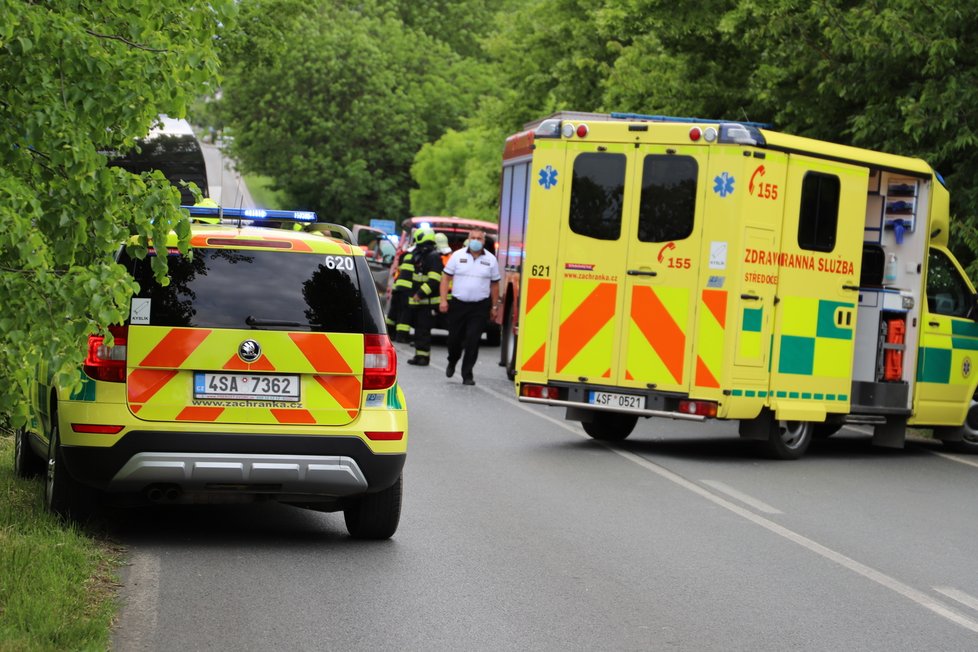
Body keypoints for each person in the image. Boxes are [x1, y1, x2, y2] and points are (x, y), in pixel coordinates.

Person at [438, 228, 500, 385]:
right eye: (473, 237)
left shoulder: (491, 260)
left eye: (479, 238)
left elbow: (494, 285)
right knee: (454, 339)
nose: (476, 241)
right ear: (468, 239)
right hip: (459, 304)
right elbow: (445, 278)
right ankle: (452, 360)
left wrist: (494, 307)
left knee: (473, 340)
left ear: (484, 241)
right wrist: (443, 300)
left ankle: (467, 374)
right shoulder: (457, 256)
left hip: (479, 306)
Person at [406, 228, 443, 366]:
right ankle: (418, 355)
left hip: (426, 302)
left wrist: (420, 293)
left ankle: (423, 357)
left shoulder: (432, 256)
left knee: (423, 330)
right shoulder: (423, 254)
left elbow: (433, 280)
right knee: (419, 329)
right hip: (420, 302)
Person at [386, 239, 416, 343]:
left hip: (398, 287)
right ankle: (401, 336)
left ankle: (389, 334)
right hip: (407, 289)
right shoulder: (418, 256)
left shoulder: (406, 254)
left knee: (393, 313)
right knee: (404, 313)